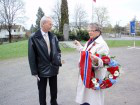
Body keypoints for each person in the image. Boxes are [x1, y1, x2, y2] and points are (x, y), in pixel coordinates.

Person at [28, 16, 62, 105]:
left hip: (53, 67)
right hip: (41, 69)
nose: (52, 25)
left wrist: (58, 60)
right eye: (50, 24)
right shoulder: (34, 37)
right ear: (43, 24)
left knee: (54, 89)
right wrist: (34, 71)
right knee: (42, 91)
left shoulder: (53, 36)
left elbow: (58, 51)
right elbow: (31, 56)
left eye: (52, 24)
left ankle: (54, 103)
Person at [74, 23, 109, 105]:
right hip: (86, 74)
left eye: (92, 30)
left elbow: (105, 61)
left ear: (99, 32)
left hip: (94, 75)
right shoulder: (90, 41)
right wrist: (79, 46)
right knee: (85, 99)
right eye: (89, 30)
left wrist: (97, 61)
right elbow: (86, 53)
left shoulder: (102, 44)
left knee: (93, 100)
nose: (89, 32)